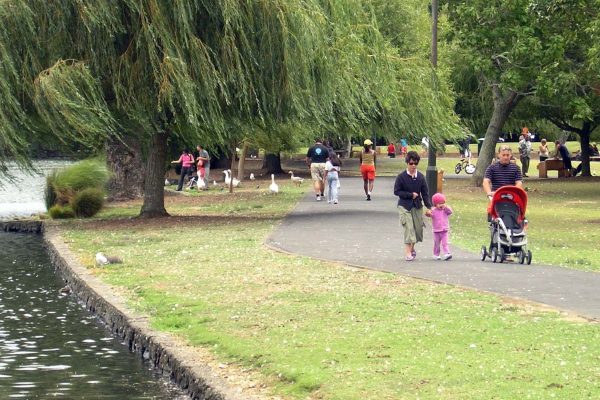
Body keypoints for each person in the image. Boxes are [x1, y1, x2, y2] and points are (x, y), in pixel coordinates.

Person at [393, 151, 432, 261]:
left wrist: (429, 207)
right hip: (404, 206)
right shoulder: (401, 177)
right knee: (409, 229)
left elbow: (425, 193)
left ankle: (412, 248)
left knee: (418, 231)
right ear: (407, 163)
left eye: (415, 163)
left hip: (417, 206)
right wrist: (410, 195)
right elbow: (396, 191)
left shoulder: (420, 177)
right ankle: (408, 253)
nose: (413, 166)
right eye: (411, 163)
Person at [427, 193, 453, 261]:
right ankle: (436, 254)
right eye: (439, 203)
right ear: (435, 204)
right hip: (436, 231)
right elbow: (428, 214)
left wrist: (446, 207)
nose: (441, 205)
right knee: (437, 243)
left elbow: (450, 212)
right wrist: (428, 213)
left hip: (444, 230)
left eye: (442, 203)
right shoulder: (433, 210)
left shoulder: (445, 210)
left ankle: (447, 253)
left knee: (445, 242)